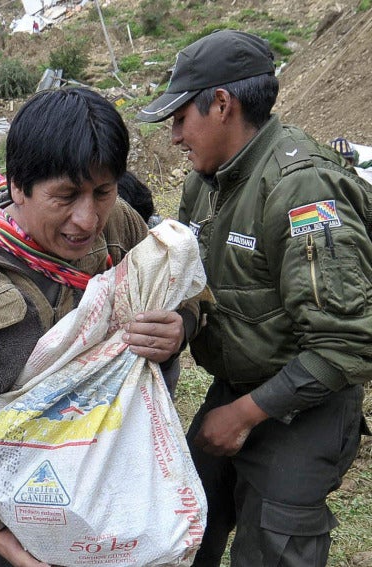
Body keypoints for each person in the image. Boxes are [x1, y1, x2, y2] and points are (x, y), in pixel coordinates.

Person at [0, 87, 191, 566]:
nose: (86, 219)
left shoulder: (119, 228)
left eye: (102, 192)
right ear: (18, 186)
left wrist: (179, 327)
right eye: (64, 197)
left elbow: (187, 291)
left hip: (83, 496)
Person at [137, 29, 372, 566]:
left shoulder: (303, 189)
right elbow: (203, 288)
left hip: (305, 403)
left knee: (272, 544)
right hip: (238, 385)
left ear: (221, 104)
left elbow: (347, 346)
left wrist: (243, 415)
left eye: (179, 119)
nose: (174, 136)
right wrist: (184, 325)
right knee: (180, 523)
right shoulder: (207, 182)